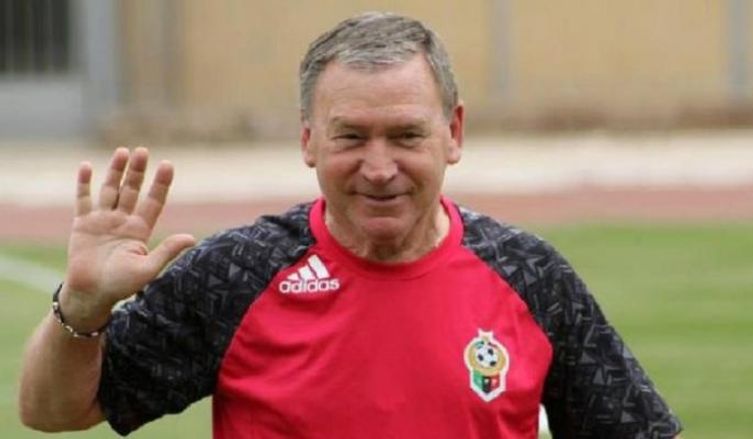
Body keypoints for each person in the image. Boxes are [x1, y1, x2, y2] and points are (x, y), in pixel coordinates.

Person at [18, 12, 683, 439]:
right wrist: (83, 305)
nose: (380, 167)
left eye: (406, 135)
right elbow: (52, 411)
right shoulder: (236, 274)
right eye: (351, 136)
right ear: (309, 139)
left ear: (453, 133)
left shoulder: (530, 275)